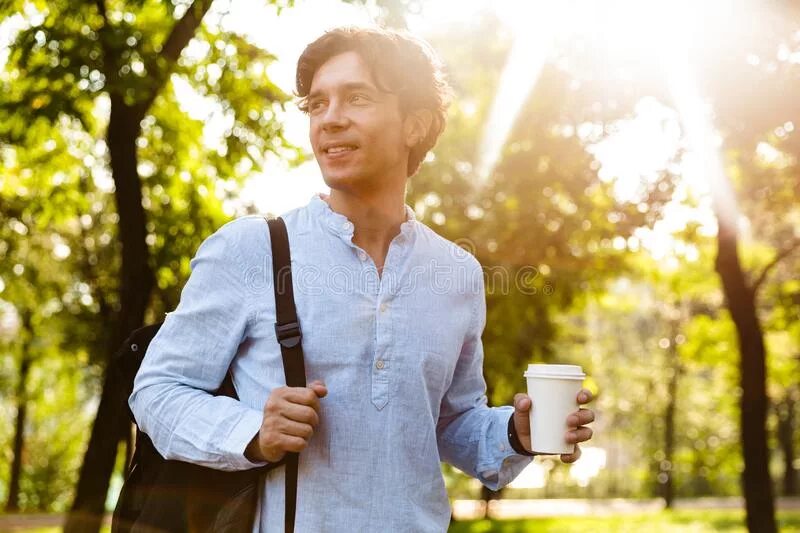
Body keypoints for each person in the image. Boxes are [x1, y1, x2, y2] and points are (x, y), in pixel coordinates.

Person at [129, 26, 595, 532]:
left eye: (357, 98)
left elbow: (449, 422)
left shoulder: (456, 273)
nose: (330, 119)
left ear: (414, 125)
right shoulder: (251, 249)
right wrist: (251, 432)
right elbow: (157, 391)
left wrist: (516, 433)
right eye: (317, 104)